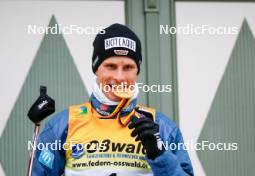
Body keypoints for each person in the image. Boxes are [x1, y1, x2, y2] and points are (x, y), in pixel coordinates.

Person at [32, 23, 194, 176]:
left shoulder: (162, 127)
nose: (119, 77)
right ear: (96, 69)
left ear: (137, 70)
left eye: (128, 67)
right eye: (110, 66)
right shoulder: (62, 125)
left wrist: (160, 154)